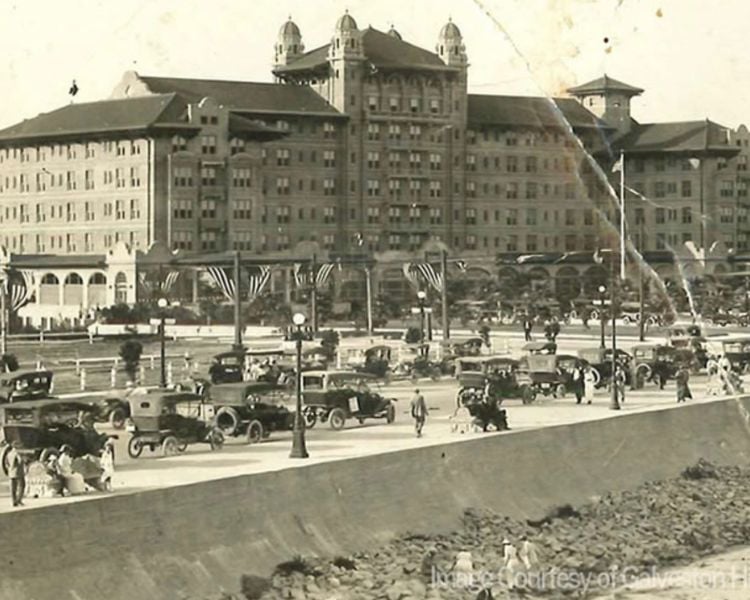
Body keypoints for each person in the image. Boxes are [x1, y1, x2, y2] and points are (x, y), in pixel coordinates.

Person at [7, 441, 26, 507]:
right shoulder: (17, 453)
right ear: (16, 446)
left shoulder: (9, 453)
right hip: (18, 472)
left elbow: (7, 463)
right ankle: (19, 500)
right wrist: (23, 461)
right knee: (22, 486)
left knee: (13, 488)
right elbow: (20, 460)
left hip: (11, 472)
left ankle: (14, 501)